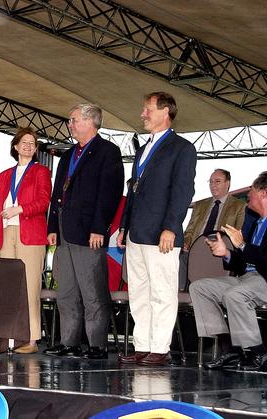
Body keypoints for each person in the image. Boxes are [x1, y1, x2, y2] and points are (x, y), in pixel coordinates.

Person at [117, 92, 197, 366]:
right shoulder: (142, 149)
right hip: (137, 233)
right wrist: (124, 226)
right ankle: (143, 346)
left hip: (162, 234)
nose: (142, 114)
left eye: (147, 109)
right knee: (138, 292)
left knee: (162, 292)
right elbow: (134, 190)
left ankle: (160, 349)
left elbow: (183, 191)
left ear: (165, 112)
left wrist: (171, 228)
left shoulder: (182, 148)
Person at [42, 104, 124, 359]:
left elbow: (109, 194)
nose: (70, 124)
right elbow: (58, 192)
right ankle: (69, 342)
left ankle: (97, 345)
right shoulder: (67, 155)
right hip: (65, 231)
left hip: (90, 231)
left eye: (74, 120)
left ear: (90, 122)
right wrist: (52, 226)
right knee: (66, 290)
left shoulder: (107, 152)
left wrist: (99, 228)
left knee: (92, 291)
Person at [189, 171, 267, 371]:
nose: (248, 194)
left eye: (252, 190)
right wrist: (227, 254)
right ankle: (230, 348)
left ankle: (257, 352)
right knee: (199, 288)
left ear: (264, 193)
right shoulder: (256, 223)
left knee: (235, 295)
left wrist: (241, 246)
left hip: (264, 279)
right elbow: (243, 262)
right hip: (247, 278)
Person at [0, 127, 52, 354]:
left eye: (32, 143)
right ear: (15, 147)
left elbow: (44, 202)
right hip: (6, 234)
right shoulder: (5, 175)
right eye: (23, 142)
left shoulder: (41, 172)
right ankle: (7, 338)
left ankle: (32, 339)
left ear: (35, 149)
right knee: (6, 287)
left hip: (30, 235)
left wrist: (20, 209)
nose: (27, 145)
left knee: (29, 287)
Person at [180, 169, 246, 288]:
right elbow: (189, 230)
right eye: (210, 182)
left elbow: (239, 233)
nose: (213, 185)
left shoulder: (239, 206)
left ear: (228, 183)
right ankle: (181, 293)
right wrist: (186, 242)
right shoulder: (199, 205)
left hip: (220, 248)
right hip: (196, 247)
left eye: (217, 181)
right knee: (179, 256)